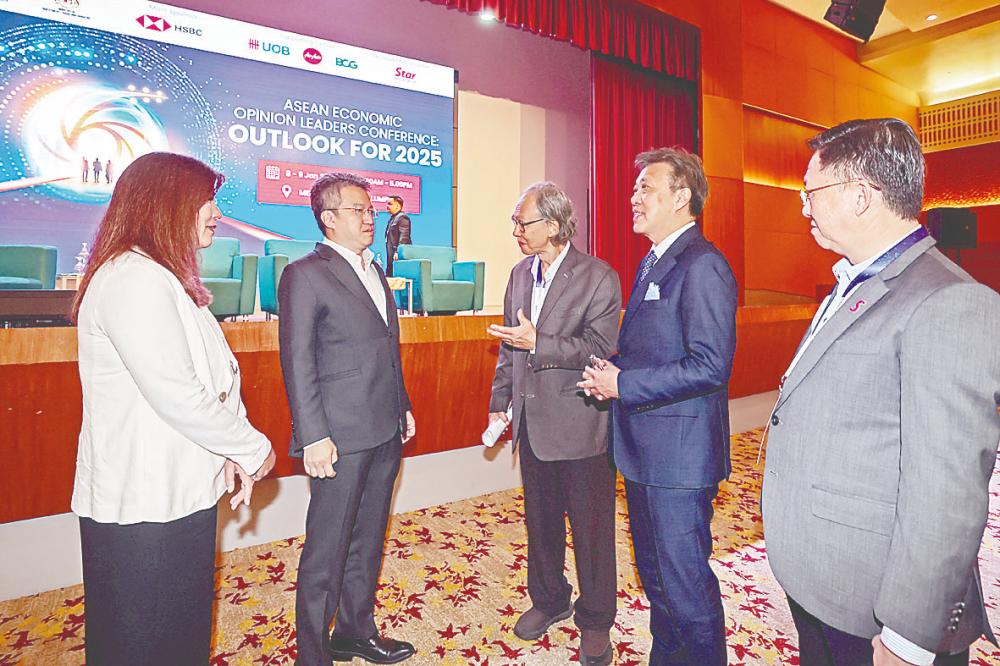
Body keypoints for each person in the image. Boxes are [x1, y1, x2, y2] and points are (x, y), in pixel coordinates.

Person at [761, 118, 1000, 666]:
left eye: (811, 192)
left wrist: (908, 637)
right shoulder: (855, 279)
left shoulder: (949, 302)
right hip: (829, 581)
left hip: (879, 603)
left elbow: (949, 490)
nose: (803, 207)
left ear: (861, 196)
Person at [70, 152, 276, 665]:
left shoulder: (165, 277)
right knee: (140, 641)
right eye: (208, 200)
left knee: (179, 635)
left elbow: (217, 379)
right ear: (168, 202)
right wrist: (253, 448)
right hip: (143, 503)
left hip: (179, 491)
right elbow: (176, 392)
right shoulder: (131, 278)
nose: (217, 213)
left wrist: (229, 450)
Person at [578, 147, 737, 665]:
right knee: (658, 578)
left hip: (679, 460)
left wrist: (626, 385)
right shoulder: (656, 261)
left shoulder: (703, 264)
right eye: (635, 187)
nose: (633, 197)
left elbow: (709, 365)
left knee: (685, 584)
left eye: (646, 187)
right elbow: (656, 351)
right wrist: (611, 372)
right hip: (647, 452)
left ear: (682, 196)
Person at [278, 172, 416, 665]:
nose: (369, 216)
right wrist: (313, 435)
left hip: (383, 428)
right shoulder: (305, 273)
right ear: (328, 219)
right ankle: (312, 654)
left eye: (370, 208)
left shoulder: (374, 269)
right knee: (327, 550)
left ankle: (355, 631)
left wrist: (401, 403)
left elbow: (385, 347)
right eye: (357, 209)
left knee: (369, 539)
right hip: (337, 436)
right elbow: (297, 362)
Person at [486, 182, 622, 666]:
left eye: (523, 222)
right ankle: (549, 600)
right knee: (540, 525)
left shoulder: (598, 276)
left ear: (553, 224)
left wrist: (537, 342)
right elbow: (509, 346)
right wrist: (499, 403)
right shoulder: (520, 273)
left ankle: (595, 620)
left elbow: (598, 348)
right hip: (531, 425)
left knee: (591, 531)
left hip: (581, 425)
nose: (516, 231)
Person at [384, 195, 411, 277]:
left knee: (398, 277)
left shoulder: (402, 217)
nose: (387, 206)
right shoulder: (393, 218)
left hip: (397, 255)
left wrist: (398, 252)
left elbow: (404, 236)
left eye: (390, 204)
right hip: (391, 253)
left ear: (397, 206)